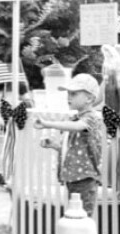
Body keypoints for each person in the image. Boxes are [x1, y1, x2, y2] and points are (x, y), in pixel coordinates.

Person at [34, 74, 102, 217]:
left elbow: (77, 126)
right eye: (68, 93)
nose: (68, 97)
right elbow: (74, 149)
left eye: (74, 94)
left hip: (85, 179)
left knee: (83, 218)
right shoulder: (76, 118)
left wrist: (47, 123)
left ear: (89, 98)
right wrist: (55, 145)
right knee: (73, 218)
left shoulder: (91, 118)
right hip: (73, 178)